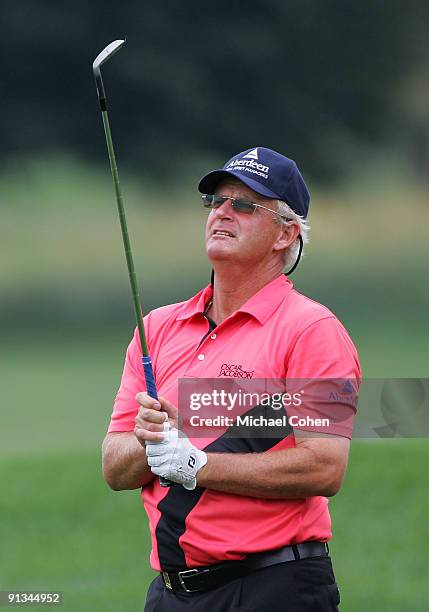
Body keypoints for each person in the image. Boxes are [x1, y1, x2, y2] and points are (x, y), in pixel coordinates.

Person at [102, 147, 361, 611]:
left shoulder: (313, 330)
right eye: (216, 202)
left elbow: (325, 467)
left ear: (286, 233)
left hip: (274, 585)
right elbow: (114, 467)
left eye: (244, 204)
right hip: (171, 593)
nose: (222, 212)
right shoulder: (158, 326)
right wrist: (151, 442)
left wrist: (195, 465)